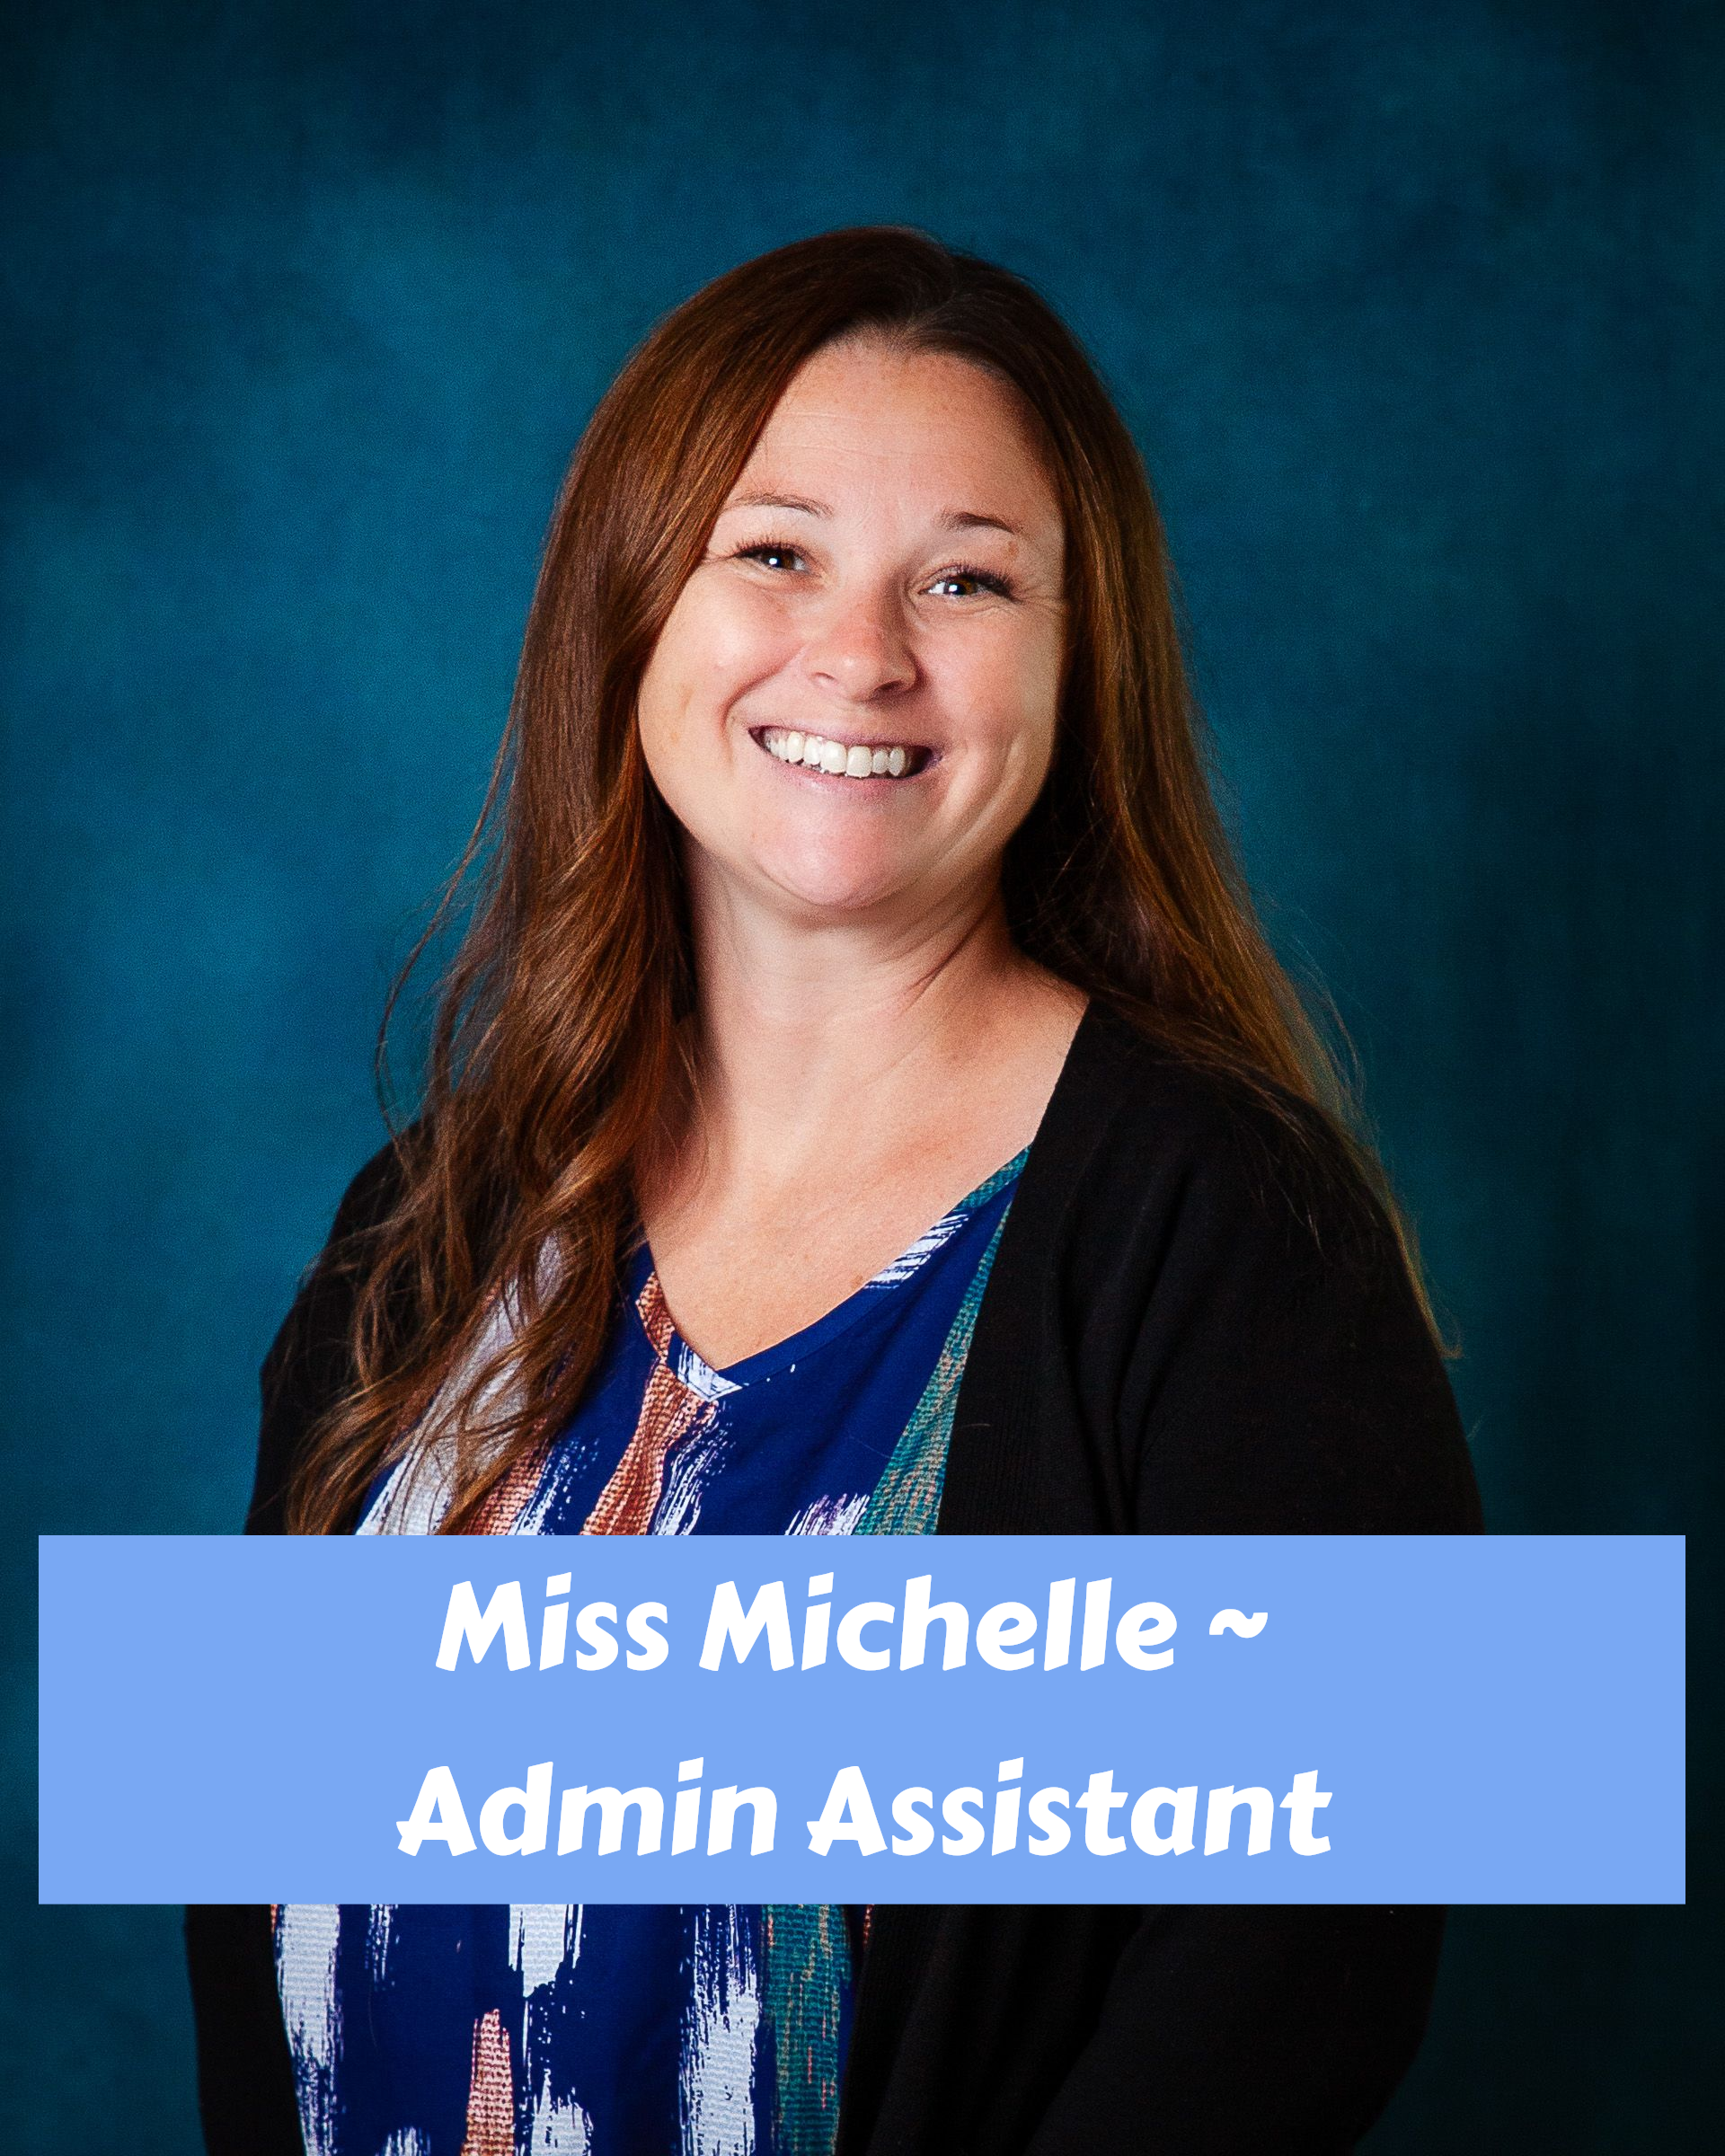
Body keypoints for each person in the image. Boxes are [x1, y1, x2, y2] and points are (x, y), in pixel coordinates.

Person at [185, 225, 1482, 2156]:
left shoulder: (1224, 1227)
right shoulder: (428, 1223)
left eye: (967, 578)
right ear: (634, 611)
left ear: (1078, 662)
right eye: (774, 551)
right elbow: (242, 1864)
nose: (862, 654)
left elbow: (1309, 1959)